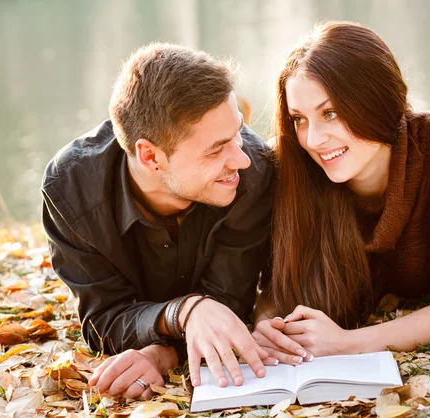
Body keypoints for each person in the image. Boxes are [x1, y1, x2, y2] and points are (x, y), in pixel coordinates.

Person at [253, 21, 430, 364]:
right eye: (299, 119)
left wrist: (350, 343)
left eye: (331, 112)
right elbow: (275, 290)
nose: (313, 139)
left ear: (377, 101)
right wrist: (268, 325)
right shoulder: (291, 166)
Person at [41, 43, 277, 399]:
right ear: (150, 156)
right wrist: (184, 312)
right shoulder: (71, 192)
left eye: (238, 133)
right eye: (216, 149)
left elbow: (229, 302)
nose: (240, 159)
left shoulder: (253, 173)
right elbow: (103, 319)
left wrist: (161, 353)